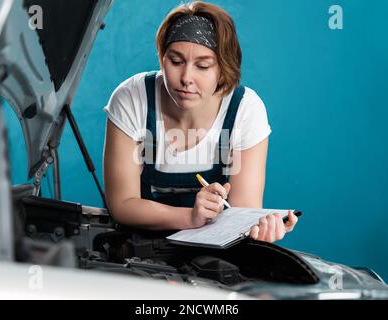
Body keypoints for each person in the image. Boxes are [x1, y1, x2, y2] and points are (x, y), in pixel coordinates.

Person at [103, 1, 297, 243]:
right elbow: (122, 204)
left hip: (215, 257)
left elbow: (243, 210)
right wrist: (190, 217)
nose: (186, 78)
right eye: (175, 61)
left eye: (203, 66)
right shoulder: (132, 98)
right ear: (162, 58)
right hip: (138, 250)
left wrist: (258, 230)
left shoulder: (245, 109)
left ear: (223, 69)